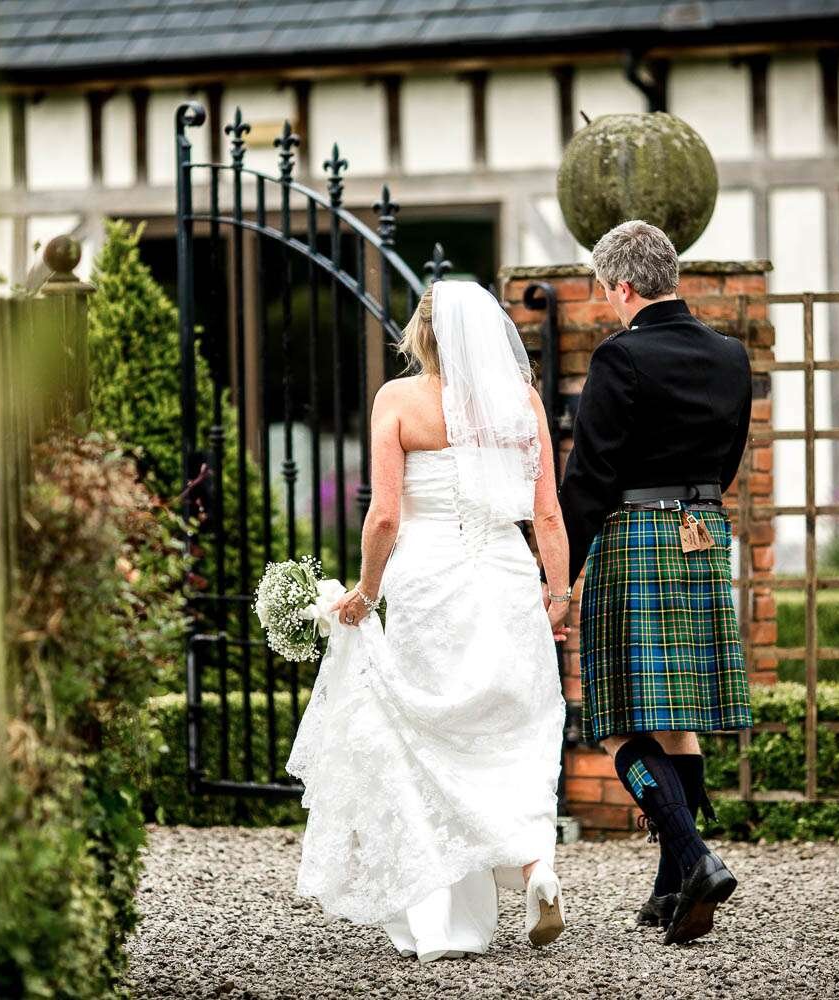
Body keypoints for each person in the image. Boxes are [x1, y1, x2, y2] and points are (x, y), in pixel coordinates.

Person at [286, 280, 569, 962]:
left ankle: (441, 917)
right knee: (514, 728)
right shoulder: (522, 402)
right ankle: (537, 866)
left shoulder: (399, 401)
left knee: (429, 737)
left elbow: (384, 516)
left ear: (421, 335)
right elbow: (550, 514)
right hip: (505, 575)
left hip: (429, 581)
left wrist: (365, 591)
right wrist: (557, 596)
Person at [559, 220, 754, 945]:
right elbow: (729, 456)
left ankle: (697, 860)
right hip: (703, 536)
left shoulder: (621, 357)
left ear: (623, 286)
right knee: (678, 720)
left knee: (616, 725)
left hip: (635, 537)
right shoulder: (731, 355)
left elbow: (591, 475)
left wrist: (557, 572)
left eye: (606, 293)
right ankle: (671, 887)